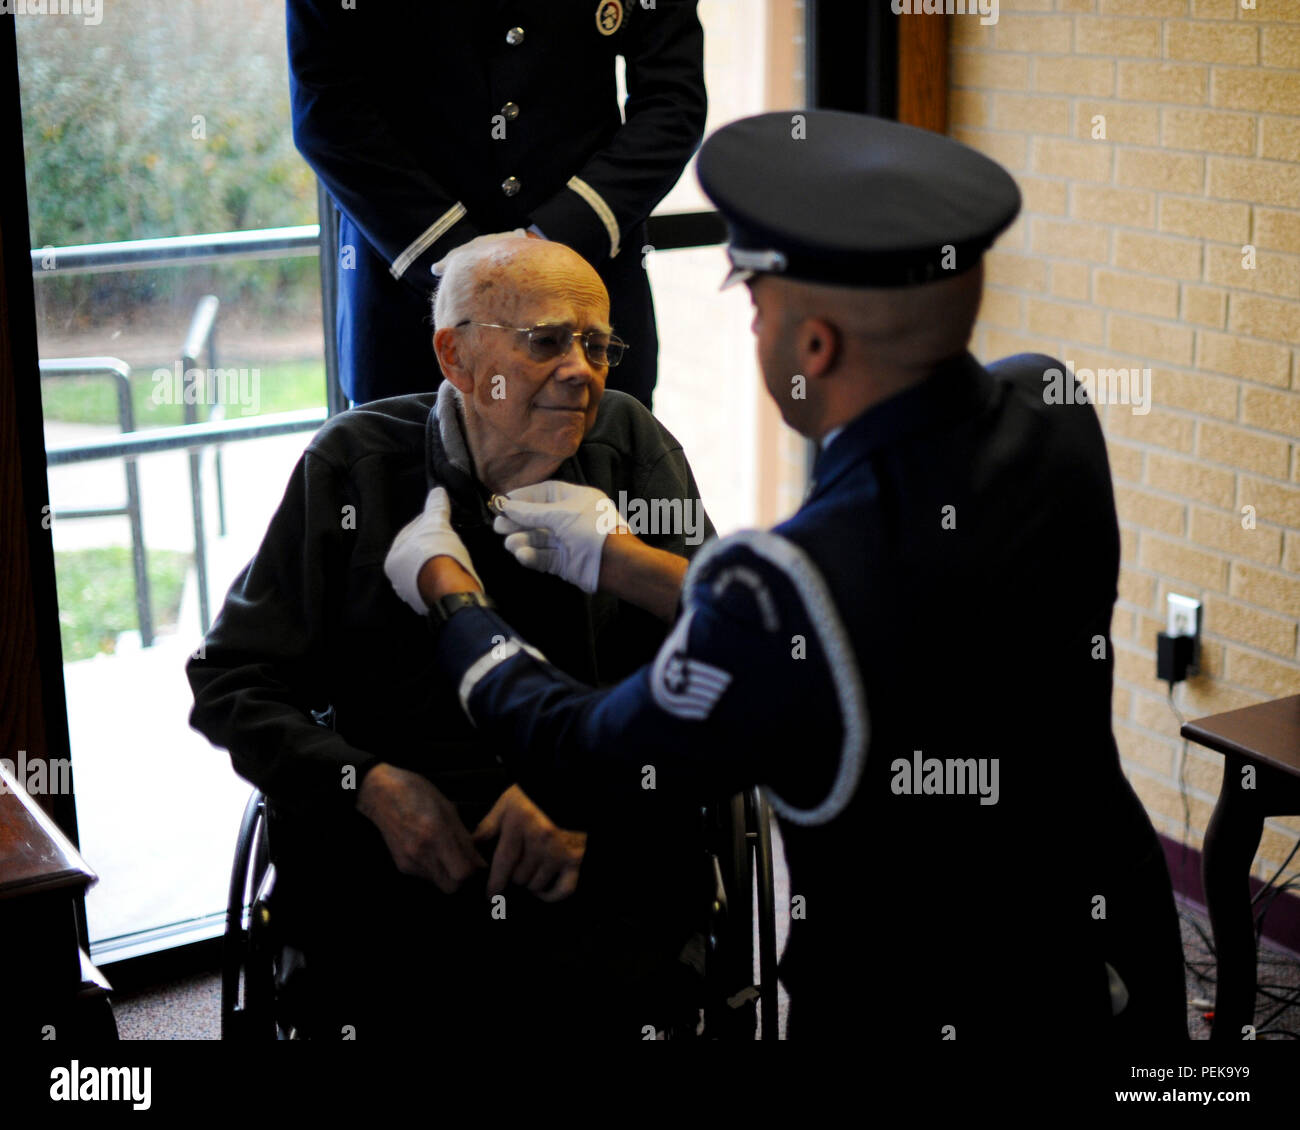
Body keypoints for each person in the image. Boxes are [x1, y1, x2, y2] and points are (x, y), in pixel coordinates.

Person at [386, 110, 1189, 1044]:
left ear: (814, 350)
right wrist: (620, 559)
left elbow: (584, 755)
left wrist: (454, 600)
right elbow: (869, 622)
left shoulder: (786, 589)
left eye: (758, 302)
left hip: (913, 1003)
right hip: (1110, 954)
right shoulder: (1051, 407)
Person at [187, 234, 714, 1039]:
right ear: (456, 355)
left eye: (598, 344)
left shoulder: (630, 448)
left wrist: (581, 798)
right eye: (546, 341)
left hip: (596, 847)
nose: (583, 370)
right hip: (395, 862)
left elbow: (715, 665)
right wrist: (366, 784)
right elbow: (231, 681)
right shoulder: (354, 465)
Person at [287, 0, 707, 408]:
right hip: (408, 317)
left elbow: (671, 102)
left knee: (608, 477)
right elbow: (326, 109)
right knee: (405, 475)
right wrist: (453, 257)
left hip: (589, 306)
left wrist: (556, 239)